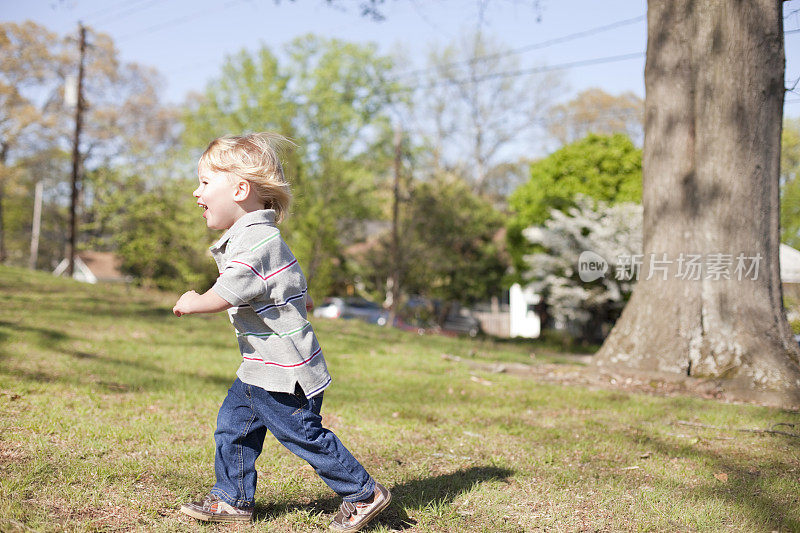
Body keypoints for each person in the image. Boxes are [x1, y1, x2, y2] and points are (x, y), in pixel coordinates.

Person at [172, 132, 391, 531]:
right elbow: (288, 274)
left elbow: (234, 287)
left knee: (302, 435)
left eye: (204, 183)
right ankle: (232, 498)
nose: (195, 192)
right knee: (233, 428)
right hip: (261, 367)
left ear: (240, 189)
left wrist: (195, 299)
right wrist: (298, 299)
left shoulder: (256, 240)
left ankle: (363, 493)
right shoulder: (258, 235)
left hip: (285, 371)